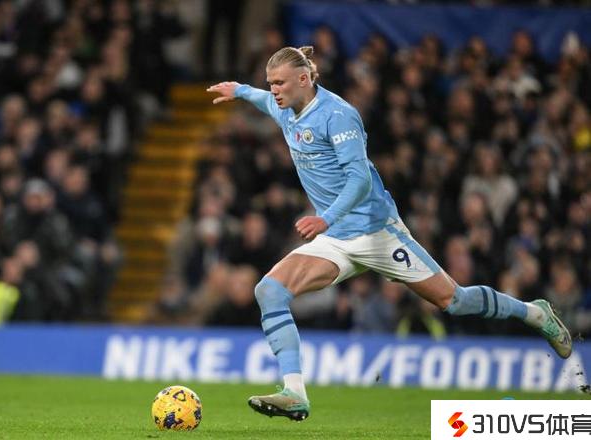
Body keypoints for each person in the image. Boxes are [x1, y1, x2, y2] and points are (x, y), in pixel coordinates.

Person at [206, 46, 572, 422]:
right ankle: (295, 393)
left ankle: (533, 313)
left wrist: (325, 219)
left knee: (454, 300)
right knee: (270, 291)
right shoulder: (284, 108)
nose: (274, 90)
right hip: (336, 240)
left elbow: (360, 180)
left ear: (304, 79)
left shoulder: (338, 115)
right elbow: (263, 99)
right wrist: (240, 90)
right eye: (271, 83)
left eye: (280, 83)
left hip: (376, 233)